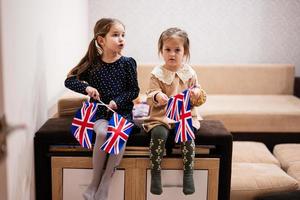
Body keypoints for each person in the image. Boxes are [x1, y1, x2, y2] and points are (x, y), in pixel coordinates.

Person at [64, 18, 139, 200]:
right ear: (101, 40)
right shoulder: (93, 63)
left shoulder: (128, 63)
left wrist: (117, 101)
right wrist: (87, 88)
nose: (121, 39)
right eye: (115, 35)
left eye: (123, 35)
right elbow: (70, 80)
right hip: (98, 112)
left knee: (117, 132)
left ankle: (105, 184)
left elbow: (134, 90)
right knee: (103, 133)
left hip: (120, 112)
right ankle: (93, 184)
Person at [143, 27, 206, 195]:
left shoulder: (190, 73)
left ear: (184, 52)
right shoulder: (157, 73)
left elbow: (198, 96)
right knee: (158, 135)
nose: (172, 54)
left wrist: (196, 94)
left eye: (177, 50)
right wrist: (158, 97)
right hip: (162, 116)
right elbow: (150, 95)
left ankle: (188, 173)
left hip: (183, 116)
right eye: (167, 50)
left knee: (187, 135)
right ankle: (156, 172)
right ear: (161, 51)